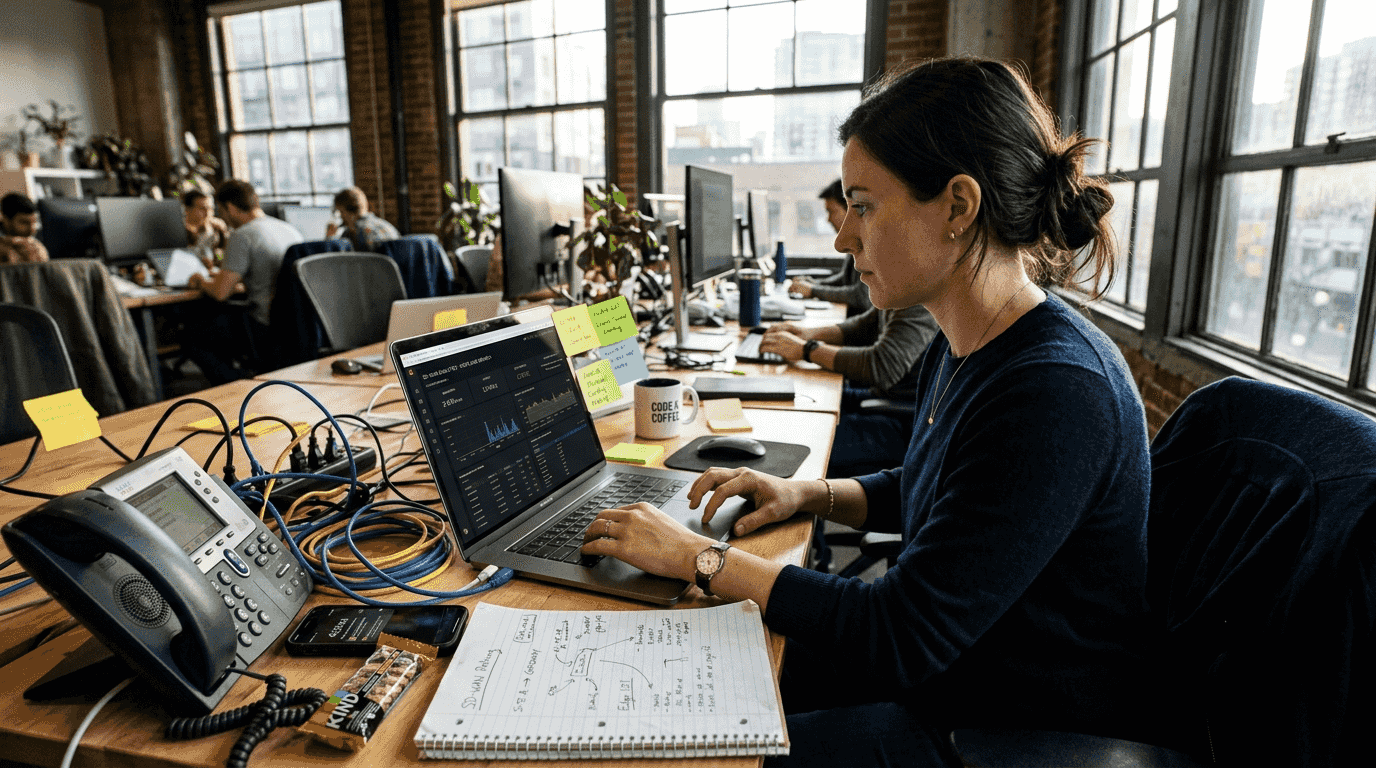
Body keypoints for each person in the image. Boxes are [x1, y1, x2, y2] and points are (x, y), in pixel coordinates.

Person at [581, 57, 1168, 767]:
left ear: (957, 205)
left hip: (996, 725)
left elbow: (900, 634)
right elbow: (934, 487)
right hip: (951, 673)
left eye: (863, 205)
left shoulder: (1055, 390)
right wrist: (808, 493)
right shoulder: (974, 341)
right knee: (653, 677)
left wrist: (700, 558)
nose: (842, 237)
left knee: (673, 745)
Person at [760, 305, 937, 479]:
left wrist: (806, 349)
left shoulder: (919, 305)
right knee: (792, 414)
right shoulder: (901, 291)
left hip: (903, 421)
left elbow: (882, 367)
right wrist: (806, 334)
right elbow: (862, 327)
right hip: (884, 398)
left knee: (795, 445)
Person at [186, 180, 303, 382]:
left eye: (220, 210)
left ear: (230, 208)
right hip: (295, 323)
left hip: (263, 325)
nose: (221, 217)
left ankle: (238, 384)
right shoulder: (289, 229)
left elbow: (221, 293)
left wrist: (200, 281)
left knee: (192, 338)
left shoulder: (242, 235)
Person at [788, 179, 870, 316]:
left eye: (831, 211)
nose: (828, 219)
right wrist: (814, 283)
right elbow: (844, 280)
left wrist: (813, 290)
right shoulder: (855, 240)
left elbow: (861, 295)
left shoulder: (868, 244)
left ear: (850, 210)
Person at [326, 186, 400, 253]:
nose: (340, 217)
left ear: (349, 211)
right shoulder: (386, 225)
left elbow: (335, 261)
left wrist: (330, 237)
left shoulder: (353, 232)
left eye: (340, 212)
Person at [0, 192, 50, 264]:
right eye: (24, 222)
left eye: (35, 222)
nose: (32, 229)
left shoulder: (36, 244)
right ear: (6, 220)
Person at [182, 189, 228, 267]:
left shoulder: (217, 228)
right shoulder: (178, 230)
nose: (208, 213)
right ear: (187, 209)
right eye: (202, 208)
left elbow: (224, 256)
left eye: (211, 208)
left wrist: (218, 257)